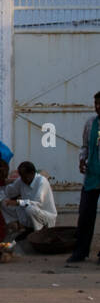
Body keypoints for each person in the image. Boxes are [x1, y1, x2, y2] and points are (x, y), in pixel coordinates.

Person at [68, 91, 100, 264]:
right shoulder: (90, 123)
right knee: (86, 214)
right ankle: (80, 252)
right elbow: (85, 146)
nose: (97, 107)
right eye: (96, 104)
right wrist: (82, 159)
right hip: (92, 177)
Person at [0, 161, 56, 239]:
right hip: (29, 214)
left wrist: (18, 202)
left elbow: (38, 203)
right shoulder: (21, 180)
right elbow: (7, 192)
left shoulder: (42, 181)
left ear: (32, 173)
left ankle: (38, 233)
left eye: (25, 176)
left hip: (45, 216)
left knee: (30, 208)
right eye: (21, 176)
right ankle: (21, 226)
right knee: (3, 203)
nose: (23, 179)